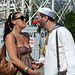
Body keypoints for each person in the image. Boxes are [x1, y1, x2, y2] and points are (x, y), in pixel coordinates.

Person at [34, 7, 75, 75]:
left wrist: (72, 73)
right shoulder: (49, 34)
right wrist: (41, 62)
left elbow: (71, 55)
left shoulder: (62, 31)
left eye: (37, 17)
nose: (36, 20)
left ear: (46, 18)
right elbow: (51, 54)